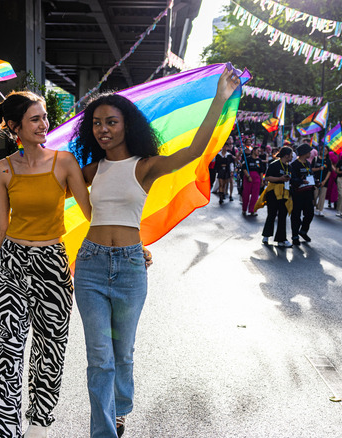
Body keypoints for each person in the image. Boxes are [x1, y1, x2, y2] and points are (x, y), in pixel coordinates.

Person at [71, 68, 240, 438]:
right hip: (91, 267)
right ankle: (104, 430)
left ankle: (119, 408)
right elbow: (46, 184)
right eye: (97, 123)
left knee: (123, 353)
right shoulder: (89, 170)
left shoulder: (145, 167)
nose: (103, 130)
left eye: (111, 122)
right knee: (99, 357)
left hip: (131, 266)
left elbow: (193, 151)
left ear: (126, 125)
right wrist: (0, 185)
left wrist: (219, 98)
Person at [0, 91, 92, 438]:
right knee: (8, 350)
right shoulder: (4, 169)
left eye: (44, 117)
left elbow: (90, 215)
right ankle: (2, 429)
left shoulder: (64, 163)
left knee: (50, 350)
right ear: (15, 128)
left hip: (52, 266)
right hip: (13, 264)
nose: (45, 125)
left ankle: (39, 425)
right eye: (35, 119)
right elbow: (0, 226)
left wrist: (129, 242)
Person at [260, 146, 293, 247]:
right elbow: (267, 178)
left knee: (282, 216)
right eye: (291, 155)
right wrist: (280, 178)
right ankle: (266, 235)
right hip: (273, 193)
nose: (292, 157)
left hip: (284, 193)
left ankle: (281, 239)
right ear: (286, 156)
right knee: (272, 214)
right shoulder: (274, 164)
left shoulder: (289, 167)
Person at [290, 144, 317, 245]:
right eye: (309, 152)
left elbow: (311, 175)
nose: (310, 153)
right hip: (298, 194)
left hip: (308, 193)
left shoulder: (308, 164)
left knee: (310, 213)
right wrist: (301, 181)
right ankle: (295, 236)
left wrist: (316, 181)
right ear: (304, 153)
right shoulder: (294, 165)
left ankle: (303, 231)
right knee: (296, 215)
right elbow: (292, 179)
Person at [241, 146, 265, 216]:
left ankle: (253, 210)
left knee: (255, 195)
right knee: (246, 194)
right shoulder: (248, 159)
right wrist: (248, 176)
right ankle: (244, 209)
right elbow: (244, 168)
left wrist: (262, 181)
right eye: (257, 151)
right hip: (248, 177)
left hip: (257, 178)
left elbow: (261, 172)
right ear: (253, 151)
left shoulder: (259, 161)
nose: (258, 152)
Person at [312, 147, 333, 216]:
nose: (324, 151)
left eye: (326, 150)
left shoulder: (328, 161)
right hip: (315, 180)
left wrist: (324, 181)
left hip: (324, 181)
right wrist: (319, 169)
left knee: (322, 196)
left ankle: (320, 209)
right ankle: (315, 206)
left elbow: (329, 171)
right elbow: (311, 169)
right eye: (323, 150)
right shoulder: (315, 159)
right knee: (315, 194)